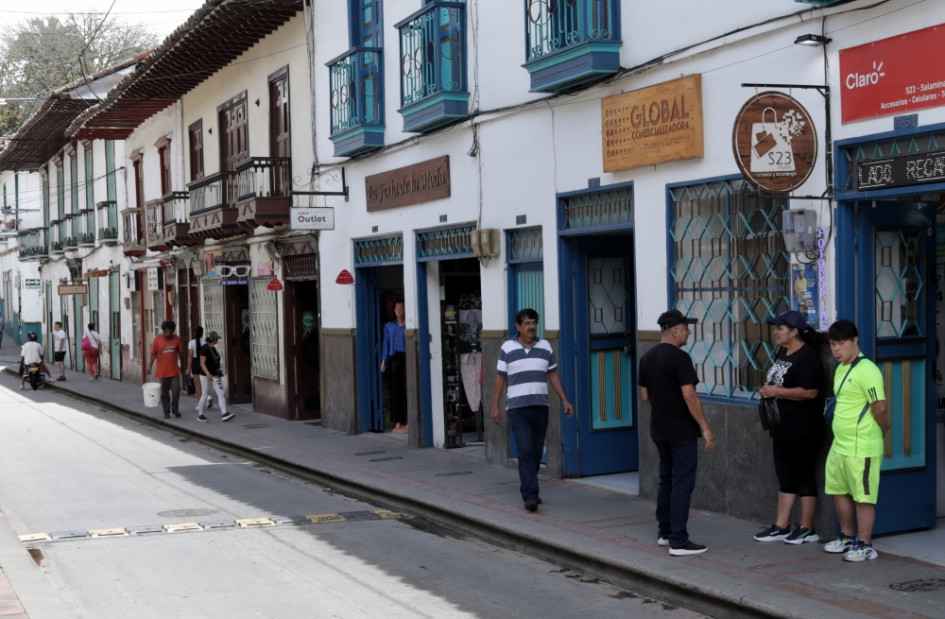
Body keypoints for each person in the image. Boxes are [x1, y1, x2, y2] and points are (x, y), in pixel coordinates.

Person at [639, 309, 716, 556]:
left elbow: (645, 395)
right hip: (681, 430)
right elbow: (690, 396)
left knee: (667, 479)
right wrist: (705, 427)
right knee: (682, 482)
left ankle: (664, 532)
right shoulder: (680, 358)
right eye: (686, 327)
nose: (689, 331)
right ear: (675, 330)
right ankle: (679, 540)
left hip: (659, 429)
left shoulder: (647, 357)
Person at [492, 308, 575, 512]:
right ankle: (530, 494)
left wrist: (565, 399)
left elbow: (553, 375)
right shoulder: (507, 348)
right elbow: (500, 377)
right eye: (527, 323)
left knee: (537, 451)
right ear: (518, 326)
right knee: (526, 449)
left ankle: (529, 486)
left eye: (534, 323)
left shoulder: (545, 346)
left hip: (540, 407)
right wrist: (495, 405)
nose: (531, 327)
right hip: (518, 409)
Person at [754, 311, 824, 544]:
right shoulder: (784, 352)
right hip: (781, 426)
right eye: (776, 328)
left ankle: (806, 527)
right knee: (785, 476)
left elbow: (811, 392)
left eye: (780, 328)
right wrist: (768, 389)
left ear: (794, 332)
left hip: (802, 427)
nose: (776, 332)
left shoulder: (808, 356)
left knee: (804, 476)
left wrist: (777, 392)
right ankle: (781, 526)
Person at [823, 319, 888, 562]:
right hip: (840, 444)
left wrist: (884, 429)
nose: (836, 349)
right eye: (832, 344)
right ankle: (847, 537)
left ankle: (865, 544)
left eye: (841, 343)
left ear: (854, 341)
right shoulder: (841, 368)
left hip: (862, 446)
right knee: (838, 490)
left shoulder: (867, 369)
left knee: (863, 496)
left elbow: (879, 407)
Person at [381, 300, 408, 434]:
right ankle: (398, 420)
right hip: (393, 358)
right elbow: (385, 344)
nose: (399, 312)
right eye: (397, 309)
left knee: (404, 389)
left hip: (405, 358)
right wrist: (384, 360)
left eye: (401, 309)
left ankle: (407, 420)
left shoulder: (408, 327)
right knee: (395, 389)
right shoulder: (389, 326)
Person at [148, 320, 184, 419]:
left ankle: (175, 409)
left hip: (174, 371)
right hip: (162, 372)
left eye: (170, 331)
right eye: (166, 331)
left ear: (173, 331)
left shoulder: (177, 339)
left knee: (176, 390)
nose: (168, 333)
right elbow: (153, 354)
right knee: (164, 393)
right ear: (163, 330)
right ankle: (166, 411)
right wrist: (149, 367)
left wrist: (183, 366)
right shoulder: (157, 339)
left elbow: (180, 354)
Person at [196, 331, 233, 423]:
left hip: (215, 375)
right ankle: (200, 415)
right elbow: (202, 363)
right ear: (212, 339)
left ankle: (224, 414)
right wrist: (208, 374)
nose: (217, 341)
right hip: (205, 375)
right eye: (216, 339)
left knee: (220, 393)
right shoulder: (204, 349)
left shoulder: (213, 349)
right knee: (204, 394)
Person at [186, 325, 212, 410]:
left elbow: (190, 357)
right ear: (202, 333)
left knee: (197, 385)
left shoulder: (191, 343)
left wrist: (188, 368)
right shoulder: (205, 342)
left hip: (195, 363)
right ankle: (208, 397)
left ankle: (200, 404)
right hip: (205, 363)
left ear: (194, 333)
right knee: (205, 384)